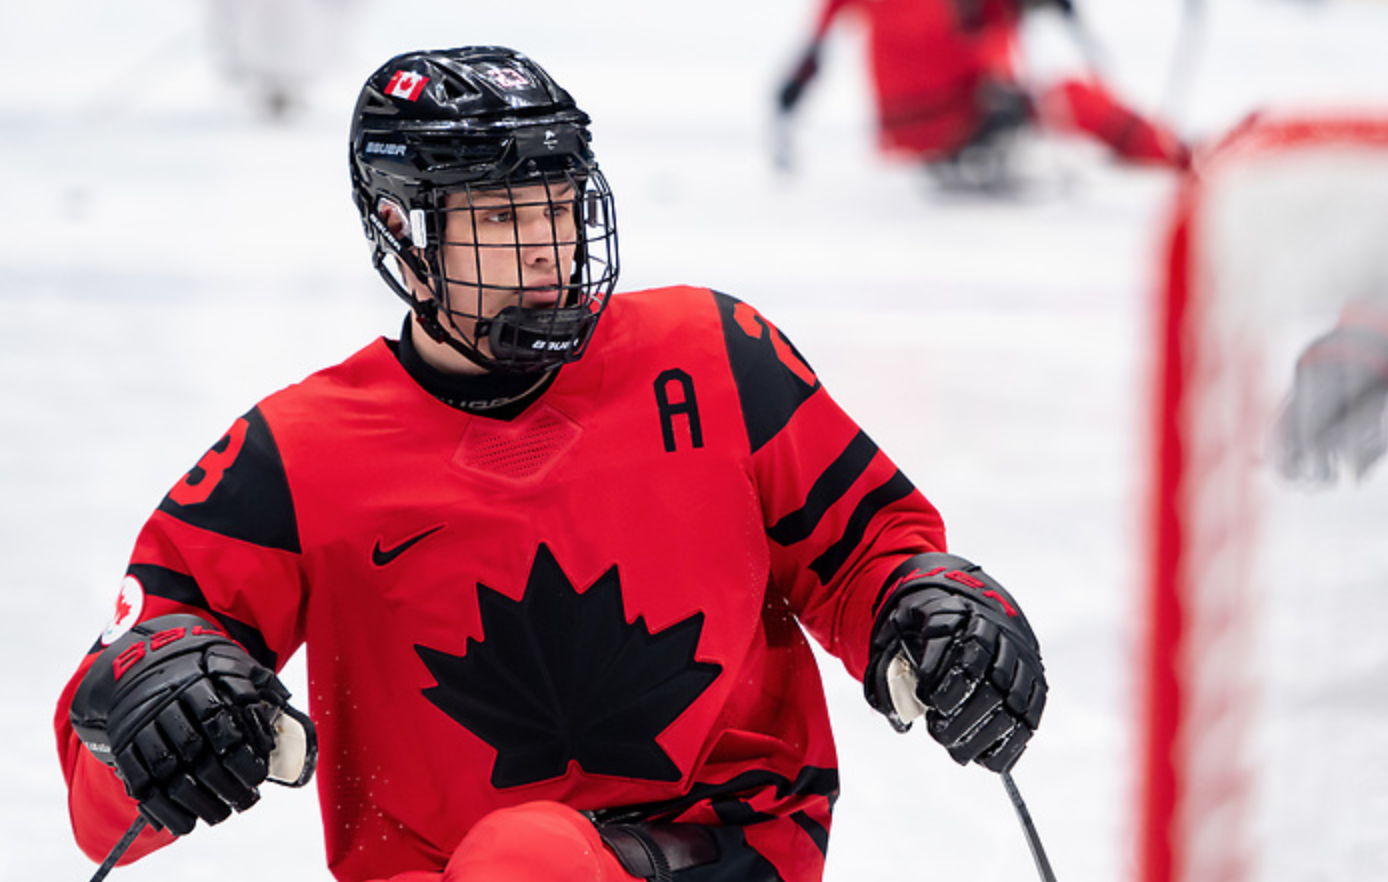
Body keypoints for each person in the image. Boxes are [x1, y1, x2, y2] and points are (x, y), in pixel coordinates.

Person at [55, 46, 1048, 882]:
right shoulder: (298, 454)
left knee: (531, 858)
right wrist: (150, 700)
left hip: (725, 852)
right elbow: (108, 755)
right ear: (400, 236)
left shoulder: (712, 357)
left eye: (559, 208)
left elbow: (868, 550)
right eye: (497, 219)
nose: (545, 250)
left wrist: (931, 605)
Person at [776, 0, 1190, 190]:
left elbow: (812, 50)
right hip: (959, 117)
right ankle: (1179, 157)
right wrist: (1001, 86)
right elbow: (988, 31)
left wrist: (786, 110)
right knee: (1075, 96)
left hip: (901, 131)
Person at [1272, 299, 1388, 485]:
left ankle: (1297, 457)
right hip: (1368, 364)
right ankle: (1357, 468)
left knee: (1311, 412)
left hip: (1317, 358)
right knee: (1362, 425)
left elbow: (1294, 401)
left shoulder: (1348, 326)